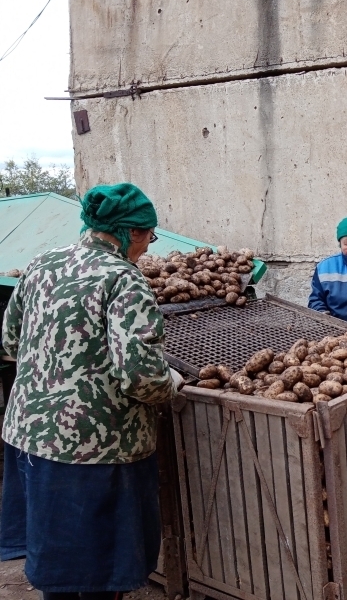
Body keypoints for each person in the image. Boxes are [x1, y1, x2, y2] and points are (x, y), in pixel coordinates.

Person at [0, 183, 181, 599]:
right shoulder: (124, 279)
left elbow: (9, 342)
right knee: (101, 569)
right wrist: (169, 383)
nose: (148, 248)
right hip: (97, 449)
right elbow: (139, 376)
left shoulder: (42, 263)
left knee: (58, 564)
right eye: (148, 236)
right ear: (131, 232)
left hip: (30, 439)